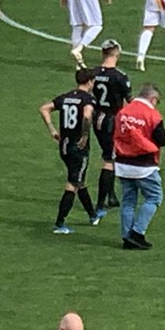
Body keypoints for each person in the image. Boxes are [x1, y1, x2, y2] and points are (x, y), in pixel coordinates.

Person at [40, 68, 99, 234]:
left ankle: (92, 215)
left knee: (79, 180)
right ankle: (60, 223)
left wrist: (52, 129)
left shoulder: (66, 97)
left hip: (64, 146)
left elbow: (44, 108)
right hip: (78, 147)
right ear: (90, 82)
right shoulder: (88, 99)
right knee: (73, 183)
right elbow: (87, 116)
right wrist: (85, 135)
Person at [113, 83, 165, 250]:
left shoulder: (123, 112)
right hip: (144, 165)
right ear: (153, 99)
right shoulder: (152, 115)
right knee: (154, 198)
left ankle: (127, 236)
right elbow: (161, 139)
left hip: (123, 162)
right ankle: (137, 233)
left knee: (128, 201)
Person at [92, 39, 132, 213]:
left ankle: (111, 196)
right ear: (117, 54)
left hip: (96, 118)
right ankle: (100, 204)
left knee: (110, 154)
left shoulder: (93, 73)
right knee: (110, 159)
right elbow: (129, 100)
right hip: (112, 119)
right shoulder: (120, 76)